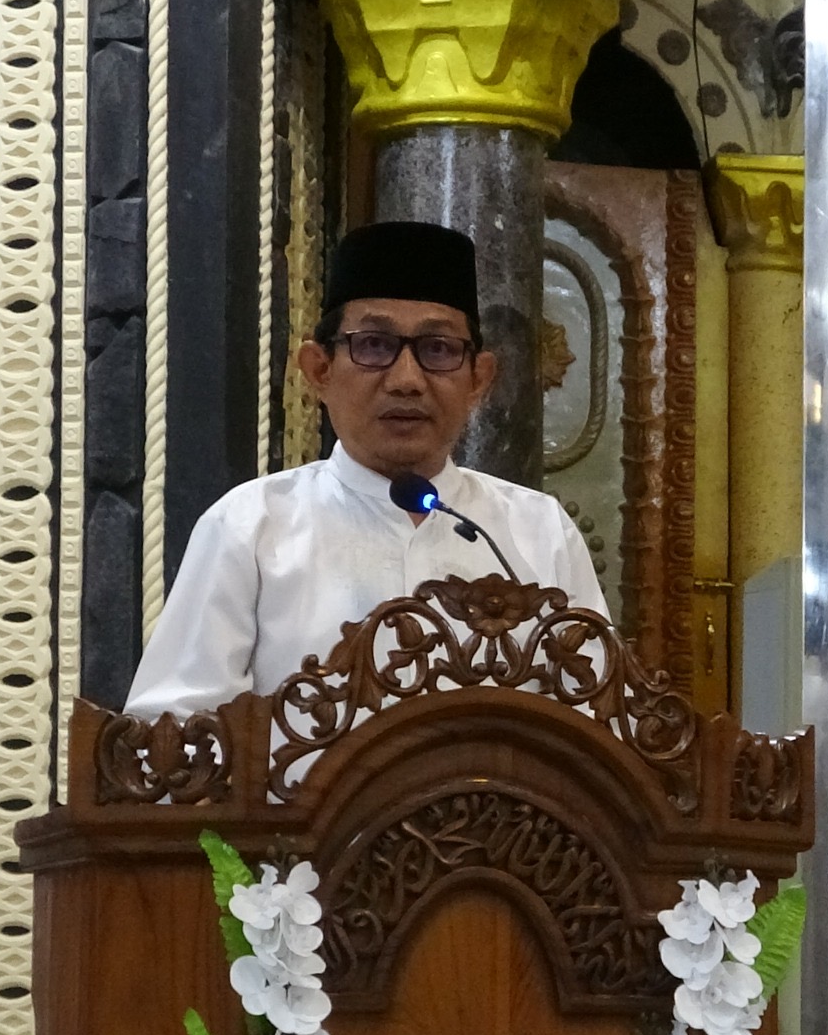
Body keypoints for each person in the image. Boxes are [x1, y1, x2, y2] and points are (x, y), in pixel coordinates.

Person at [127, 222, 607, 718]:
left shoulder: (539, 529)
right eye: (374, 345)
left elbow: (601, 716)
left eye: (438, 349)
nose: (406, 380)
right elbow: (169, 730)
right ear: (320, 370)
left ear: (478, 380)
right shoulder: (250, 527)